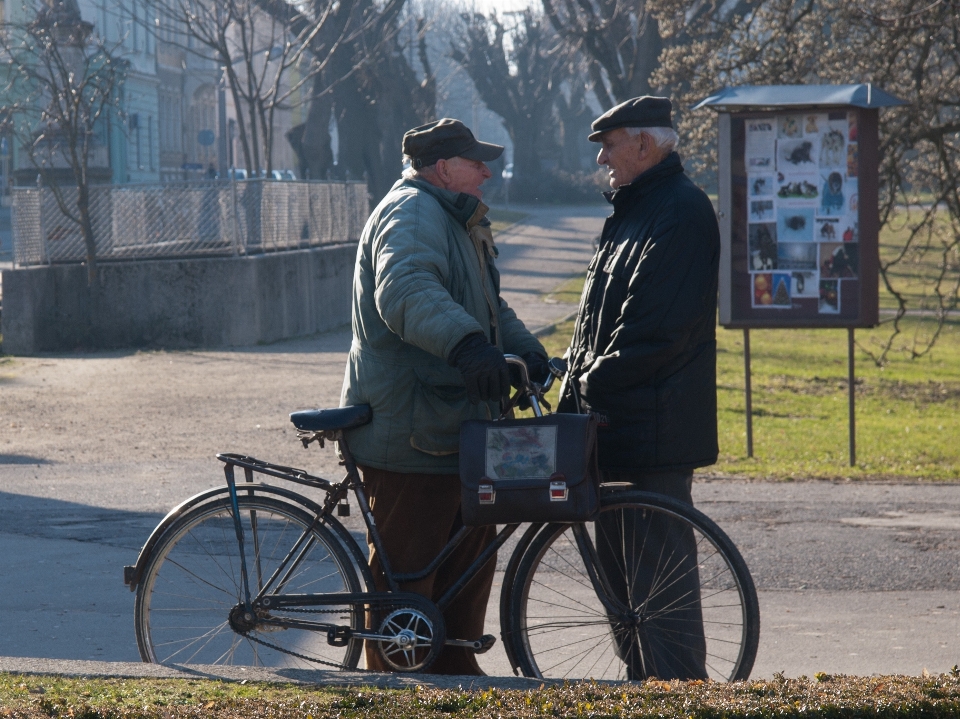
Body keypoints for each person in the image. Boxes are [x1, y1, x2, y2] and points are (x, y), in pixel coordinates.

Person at [340, 118, 548, 674]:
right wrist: (467, 348)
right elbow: (405, 289)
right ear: (441, 168)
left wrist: (530, 355)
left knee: (469, 556)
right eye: (475, 162)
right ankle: (396, 685)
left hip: (455, 426)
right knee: (409, 573)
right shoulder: (411, 213)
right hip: (413, 429)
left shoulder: (455, 219)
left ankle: (456, 666)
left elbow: (490, 308)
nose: (487, 170)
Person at [557, 96, 721, 680]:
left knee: (659, 596)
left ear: (645, 145)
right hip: (618, 427)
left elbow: (656, 330)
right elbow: (599, 319)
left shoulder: (679, 211)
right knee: (626, 597)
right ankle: (645, 692)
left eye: (609, 143)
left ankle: (677, 698)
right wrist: (572, 374)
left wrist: (586, 378)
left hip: (655, 431)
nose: (602, 157)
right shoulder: (634, 209)